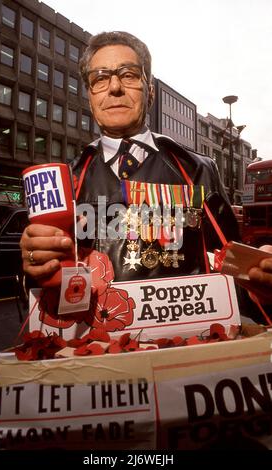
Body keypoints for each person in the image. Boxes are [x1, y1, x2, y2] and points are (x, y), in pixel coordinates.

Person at [20, 31, 272, 319]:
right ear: (90, 96)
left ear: (149, 90)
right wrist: (35, 264)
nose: (114, 87)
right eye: (100, 78)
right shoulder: (66, 181)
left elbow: (234, 276)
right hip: (94, 349)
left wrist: (259, 284)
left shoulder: (198, 170)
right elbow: (43, 293)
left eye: (128, 75)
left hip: (182, 349)